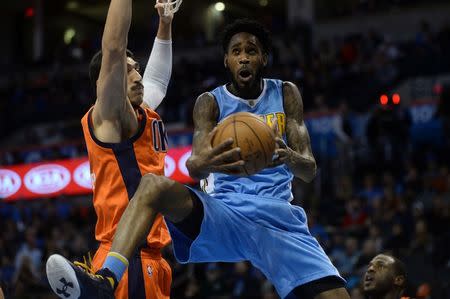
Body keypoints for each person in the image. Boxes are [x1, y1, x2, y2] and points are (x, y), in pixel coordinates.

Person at [46, 19, 350, 299]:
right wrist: (216, 160)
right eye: (236, 51)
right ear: (226, 61)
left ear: (263, 58)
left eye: (251, 51)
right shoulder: (210, 102)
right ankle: (106, 280)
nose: (244, 57)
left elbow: (309, 170)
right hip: (227, 212)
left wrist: (287, 156)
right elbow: (194, 165)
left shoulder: (286, 93)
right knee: (152, 186)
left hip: (279, 217)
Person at [46, 0, 182, 298]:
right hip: (127, 260)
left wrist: (165, 23)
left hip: (149, 259)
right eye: (128, 70)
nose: (137, 76)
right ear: (106, 83)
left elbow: (158, 80)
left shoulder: (139, 112)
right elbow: (114, 48)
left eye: (137, 69)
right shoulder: (110, 116)